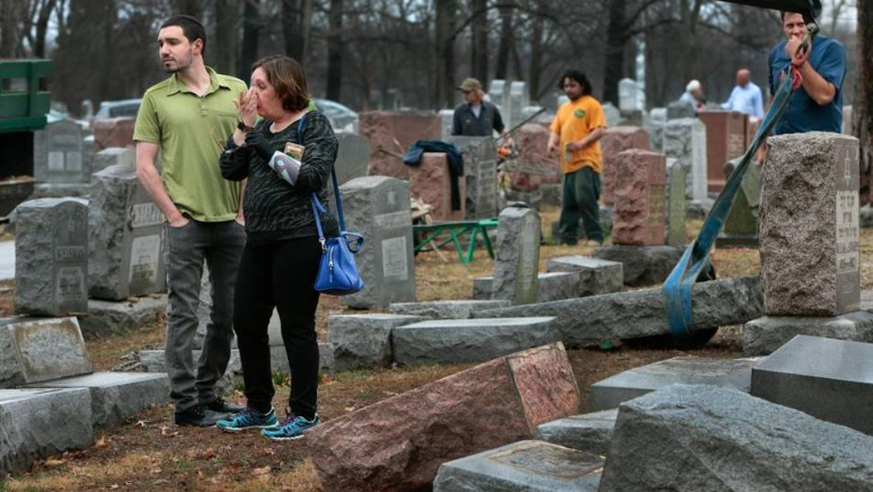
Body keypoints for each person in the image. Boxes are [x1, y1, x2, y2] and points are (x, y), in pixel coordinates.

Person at [216, 55, 338, 441]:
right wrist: (244, 127)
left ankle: (304, 412)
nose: (251, 93)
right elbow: (229, 169)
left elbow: (309, 177)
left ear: (285, 88)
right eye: (251, 84)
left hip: (299, 239)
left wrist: (263, 145)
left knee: (296, 326)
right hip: (259, 240)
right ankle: (259, 407)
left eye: (260, 86)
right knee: (247, 321)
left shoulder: (312, 124)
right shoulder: (260, 128)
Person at [134, 15, 247, 427]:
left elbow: (251, 150)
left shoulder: (236, 90)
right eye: (160, 43)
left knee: (228, 312)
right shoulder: (156, 98)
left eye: (172, 42)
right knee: (184, 314)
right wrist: (173, 215)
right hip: (186, 224)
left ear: (196, 46)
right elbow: (144, 166)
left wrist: (242, 210)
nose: (163, 50)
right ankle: (185, 404)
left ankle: (208, 392)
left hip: (231, 223)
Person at [547, 70, 607, 247]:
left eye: (573, 85)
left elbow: (600, 129)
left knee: (584, 198)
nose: (569, 89)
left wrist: (581, 143)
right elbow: (556, 130)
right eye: (566, 86)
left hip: (586, 161)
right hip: (567, 163)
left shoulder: (591, 104)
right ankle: (567, 238)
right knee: (568, 202)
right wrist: (552, 143)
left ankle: (594, 236)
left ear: (582, 85)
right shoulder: (564, 108)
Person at [768, 10, 847, 135]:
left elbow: (824, 96)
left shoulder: (831, 48)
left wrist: (799, 59)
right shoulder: (776, 53)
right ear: (782, 25)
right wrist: (763, 141)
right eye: (790, 25)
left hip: (821, 142)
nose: (795, 31)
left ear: (812, 25)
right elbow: (774, 98)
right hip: (782, 141)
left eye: (801, 24)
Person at [452, 78, 513, 147]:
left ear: (477, 92)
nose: (464, 95)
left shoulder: (491, 108)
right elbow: (455, 136)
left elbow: (500, 128)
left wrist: (508, 139)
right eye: (463, 92)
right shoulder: (459, 111)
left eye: (467, 92)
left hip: (487, 151)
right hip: (467, 152)